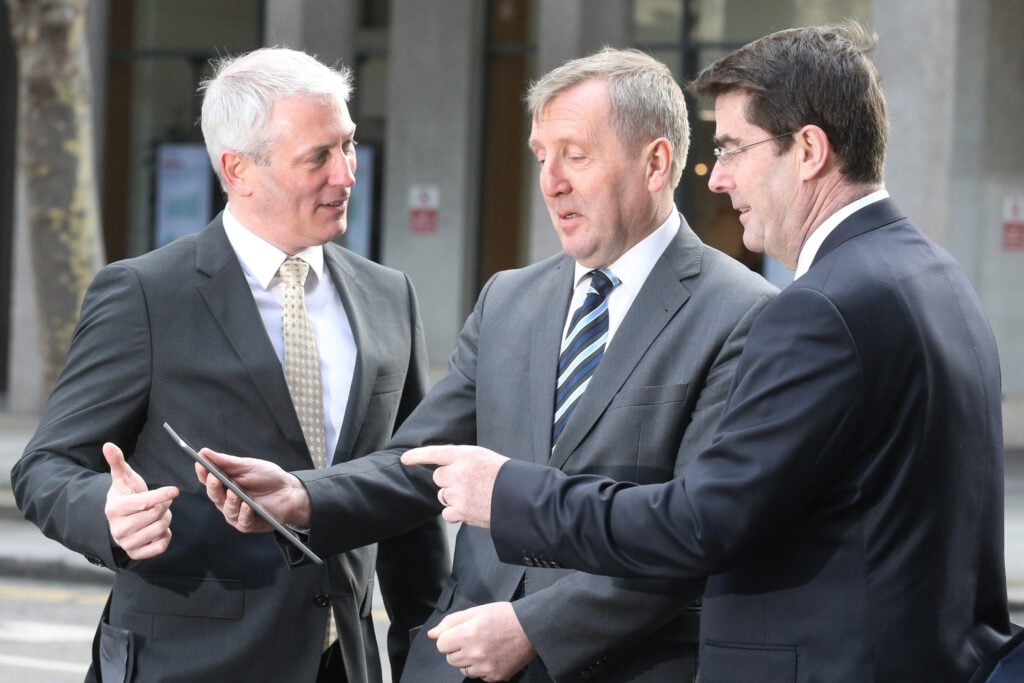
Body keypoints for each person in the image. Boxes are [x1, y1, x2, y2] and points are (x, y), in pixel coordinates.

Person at [402, 21, 1014, 683]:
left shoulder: (820, 307)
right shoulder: (935, 276)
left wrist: (510, 493)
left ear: (808, 150)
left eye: (731, 149)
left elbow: (700, 522)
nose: (717, 179)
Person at [196, 48, 777, 682]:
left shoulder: (745, 315)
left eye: (575, 155)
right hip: (456, 664)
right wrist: (301, 496)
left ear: (657, 162)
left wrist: (534, 628)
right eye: (540, 156)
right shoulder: (509, 299)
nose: (550, 181)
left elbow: (696, 535)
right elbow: (417, 464)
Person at [10, 47, 449, 682]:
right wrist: (104, 510)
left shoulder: (389, 295)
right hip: (186, 664)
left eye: (348, 145)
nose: (347, 175)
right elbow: (44, 467)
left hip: (345, 664)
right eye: (318, 157)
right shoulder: (146, 294)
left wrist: (423, 663)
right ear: (239, 170)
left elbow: (409, 493)